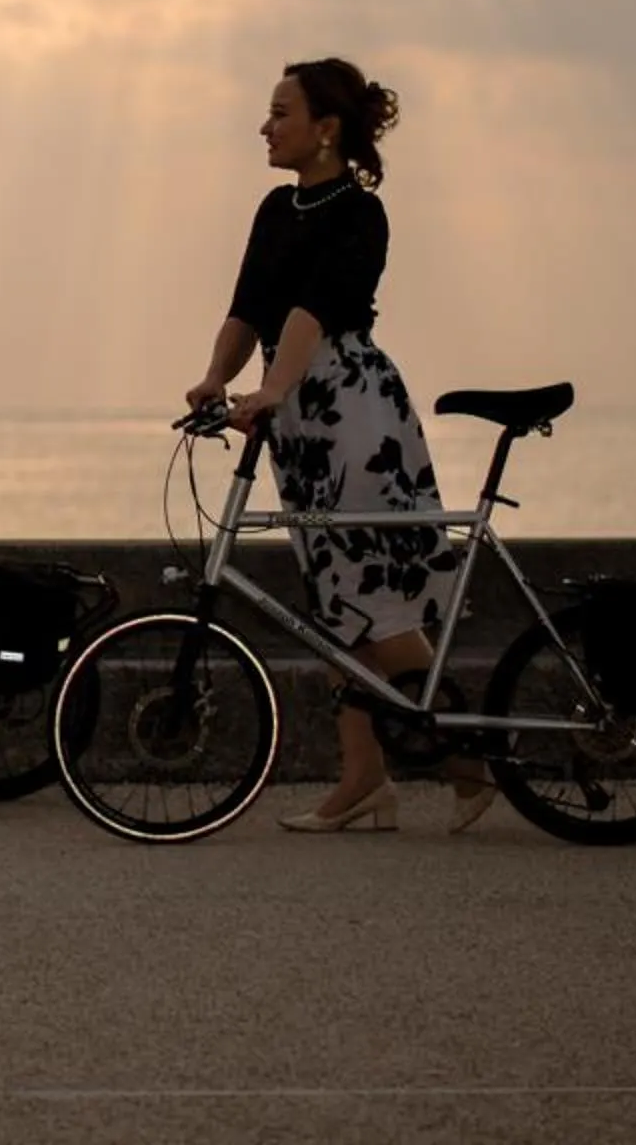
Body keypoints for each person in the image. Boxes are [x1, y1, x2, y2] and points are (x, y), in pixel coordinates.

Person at [184, 57, 495, 836]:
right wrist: (215, 379)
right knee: (332, 601)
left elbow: (312, 312)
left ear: (326, 129)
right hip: (293, 415)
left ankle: (467, 762)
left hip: (351, 409)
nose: (265, 125)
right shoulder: (274, 208)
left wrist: (275, 388)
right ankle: (365, 778)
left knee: (371, 594)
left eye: (280, 112)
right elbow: (251, 304)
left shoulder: (359, 212)